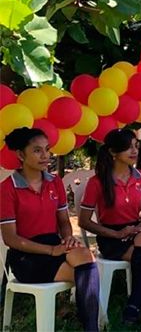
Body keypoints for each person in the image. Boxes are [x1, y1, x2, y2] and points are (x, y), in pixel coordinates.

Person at [0, 127, 99, 332]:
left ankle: (90, 327)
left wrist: (68, 238)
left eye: (47, 149)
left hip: (54, 245)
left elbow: (63, 221)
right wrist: (51, 251)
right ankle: (89, 325)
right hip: (25, 256)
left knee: (85, 256)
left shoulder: (55, 182)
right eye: (37, 151)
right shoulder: (7, 189)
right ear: (20, 154)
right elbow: (11, 239)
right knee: (84, 274)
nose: (45, 156)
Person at [78, 129, 141, 330]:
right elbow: (84, 221)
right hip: (110, 235)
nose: (134, 151)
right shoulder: (98, 182)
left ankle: (135, 303)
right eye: (128, 147)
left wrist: (140, 225)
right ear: (113, 152)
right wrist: (117, 234)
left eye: (136, 146)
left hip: (136, 231)